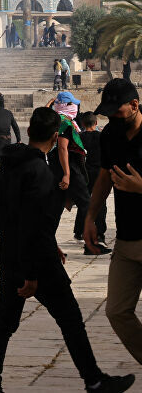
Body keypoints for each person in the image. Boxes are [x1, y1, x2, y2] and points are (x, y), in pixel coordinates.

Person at [0, 106, 135, 393]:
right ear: (55, 137)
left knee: (3, 324)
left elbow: (12, 220)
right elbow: (34, 225)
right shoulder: (39, 171)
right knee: (71, 319)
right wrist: (33, 271)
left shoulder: (6, 170)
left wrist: (43, 249)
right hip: (37, 263)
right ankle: (94, 380)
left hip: (11, 257)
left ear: (28, 132)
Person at [85, 79, 142, 364]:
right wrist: (91, 218)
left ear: (134, 105)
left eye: (116, 112)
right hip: (127, 239)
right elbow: (104, 177)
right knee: (117, 311)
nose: (112, 119)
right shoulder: (110, 136)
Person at [75, 111, 111, 256]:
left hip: (84, 174)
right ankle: (100, 233)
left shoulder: (79, 137)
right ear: (96, 123)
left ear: (82, 124)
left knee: (84, 202)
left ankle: (79, 231)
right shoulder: (102, 137)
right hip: (100, 172)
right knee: (100, 202)